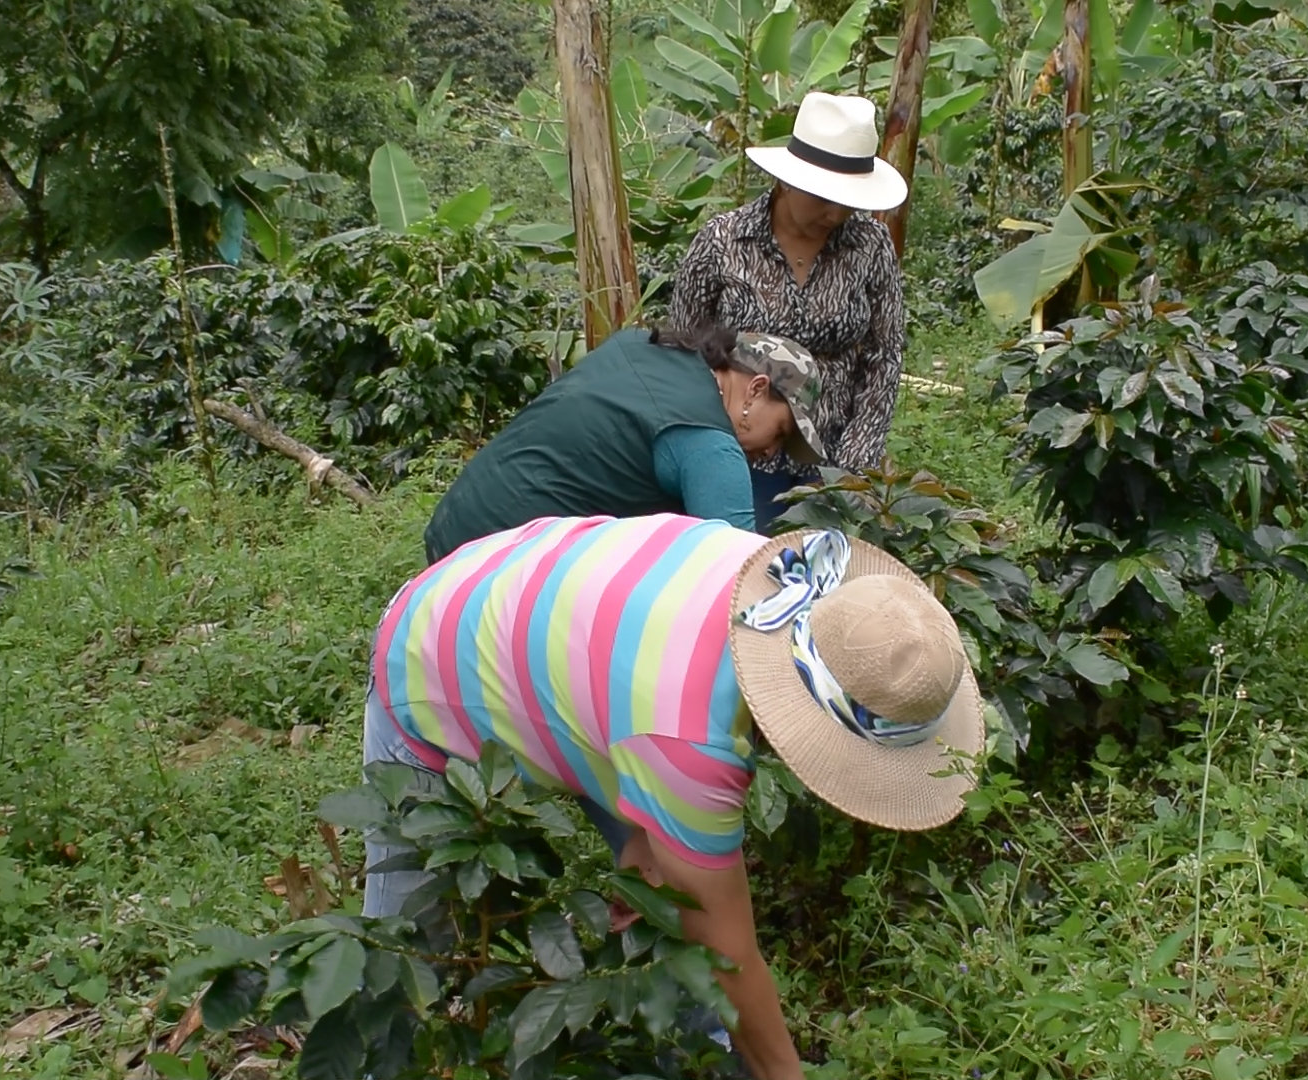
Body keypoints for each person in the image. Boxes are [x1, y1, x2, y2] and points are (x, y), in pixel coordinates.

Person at [360, 512, 985, 1080]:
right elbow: (728, 954)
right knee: (405, 958)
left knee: (669, 890)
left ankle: (696, 1053)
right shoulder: (687, 741)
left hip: (542, 602)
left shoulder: (775, 577)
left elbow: (625, 672)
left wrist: (646, 837)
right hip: (434, 655)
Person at [668, 91, 909, 531]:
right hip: (733, 460)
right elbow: (681, 349)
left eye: (848, 198)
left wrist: (851, 471)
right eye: (823, 197)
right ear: (786, 180)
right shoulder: (723, 241)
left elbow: (883, 359)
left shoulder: (870, 247)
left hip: (833, 462)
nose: (835, 212)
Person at [419, 324, 830, 564]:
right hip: (500, 566)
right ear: (756, 390)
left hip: (454, 528)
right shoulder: (710, 447)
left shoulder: (640, 345)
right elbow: (741, 579)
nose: (772, 454)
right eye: (779, 434)